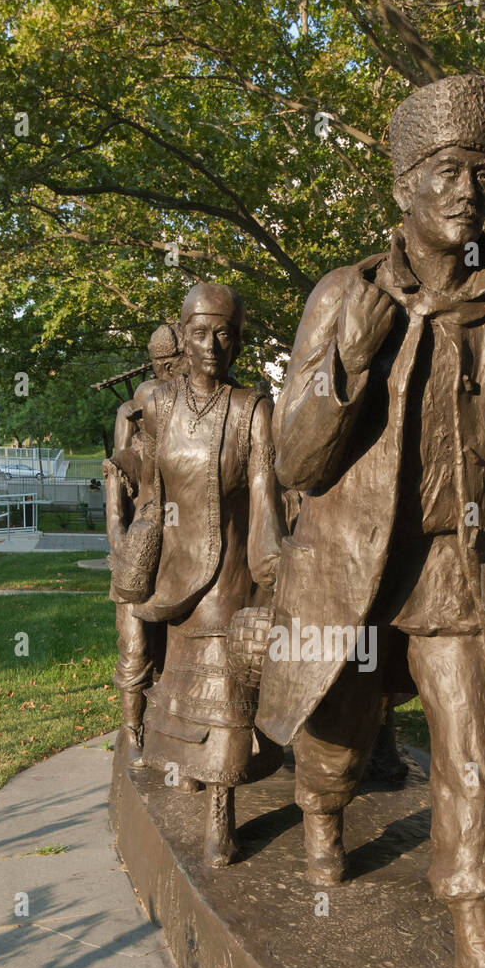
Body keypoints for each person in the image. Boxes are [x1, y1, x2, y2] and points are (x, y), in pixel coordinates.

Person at [257, 73, 485, 968]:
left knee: (471, 760)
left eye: (480, 170)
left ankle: (477, 944)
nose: (466, 189)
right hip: (351, 567)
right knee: (336, 733)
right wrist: (352, 353)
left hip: (447, 573)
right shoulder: (340, 295)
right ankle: (318, 818)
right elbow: (293, 456)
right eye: (444, 170)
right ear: (401, 187)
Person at [133, 283, 285, 867]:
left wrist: (272, 573)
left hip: (229, 572)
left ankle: (222, 810)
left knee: (226, 692)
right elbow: (150, 484)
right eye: (199, 331)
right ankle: (185, 767)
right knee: (177, 682)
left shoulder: (251, 407)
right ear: (182, 333)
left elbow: (264, 495)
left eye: (224, 332)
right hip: (175, 571)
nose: (212, 344)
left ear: (238, 339)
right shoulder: (156, 401)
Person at [104, 323, 182, 750]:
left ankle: (171, 725)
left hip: (181, 540)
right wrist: (121, 543)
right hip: (141, 541)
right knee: (135, 648)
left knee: (174, 644)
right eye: (163, 366)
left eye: (174, 365)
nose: (169, 372)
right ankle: (132, 731)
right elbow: (115, 503)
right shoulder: (133, 419)